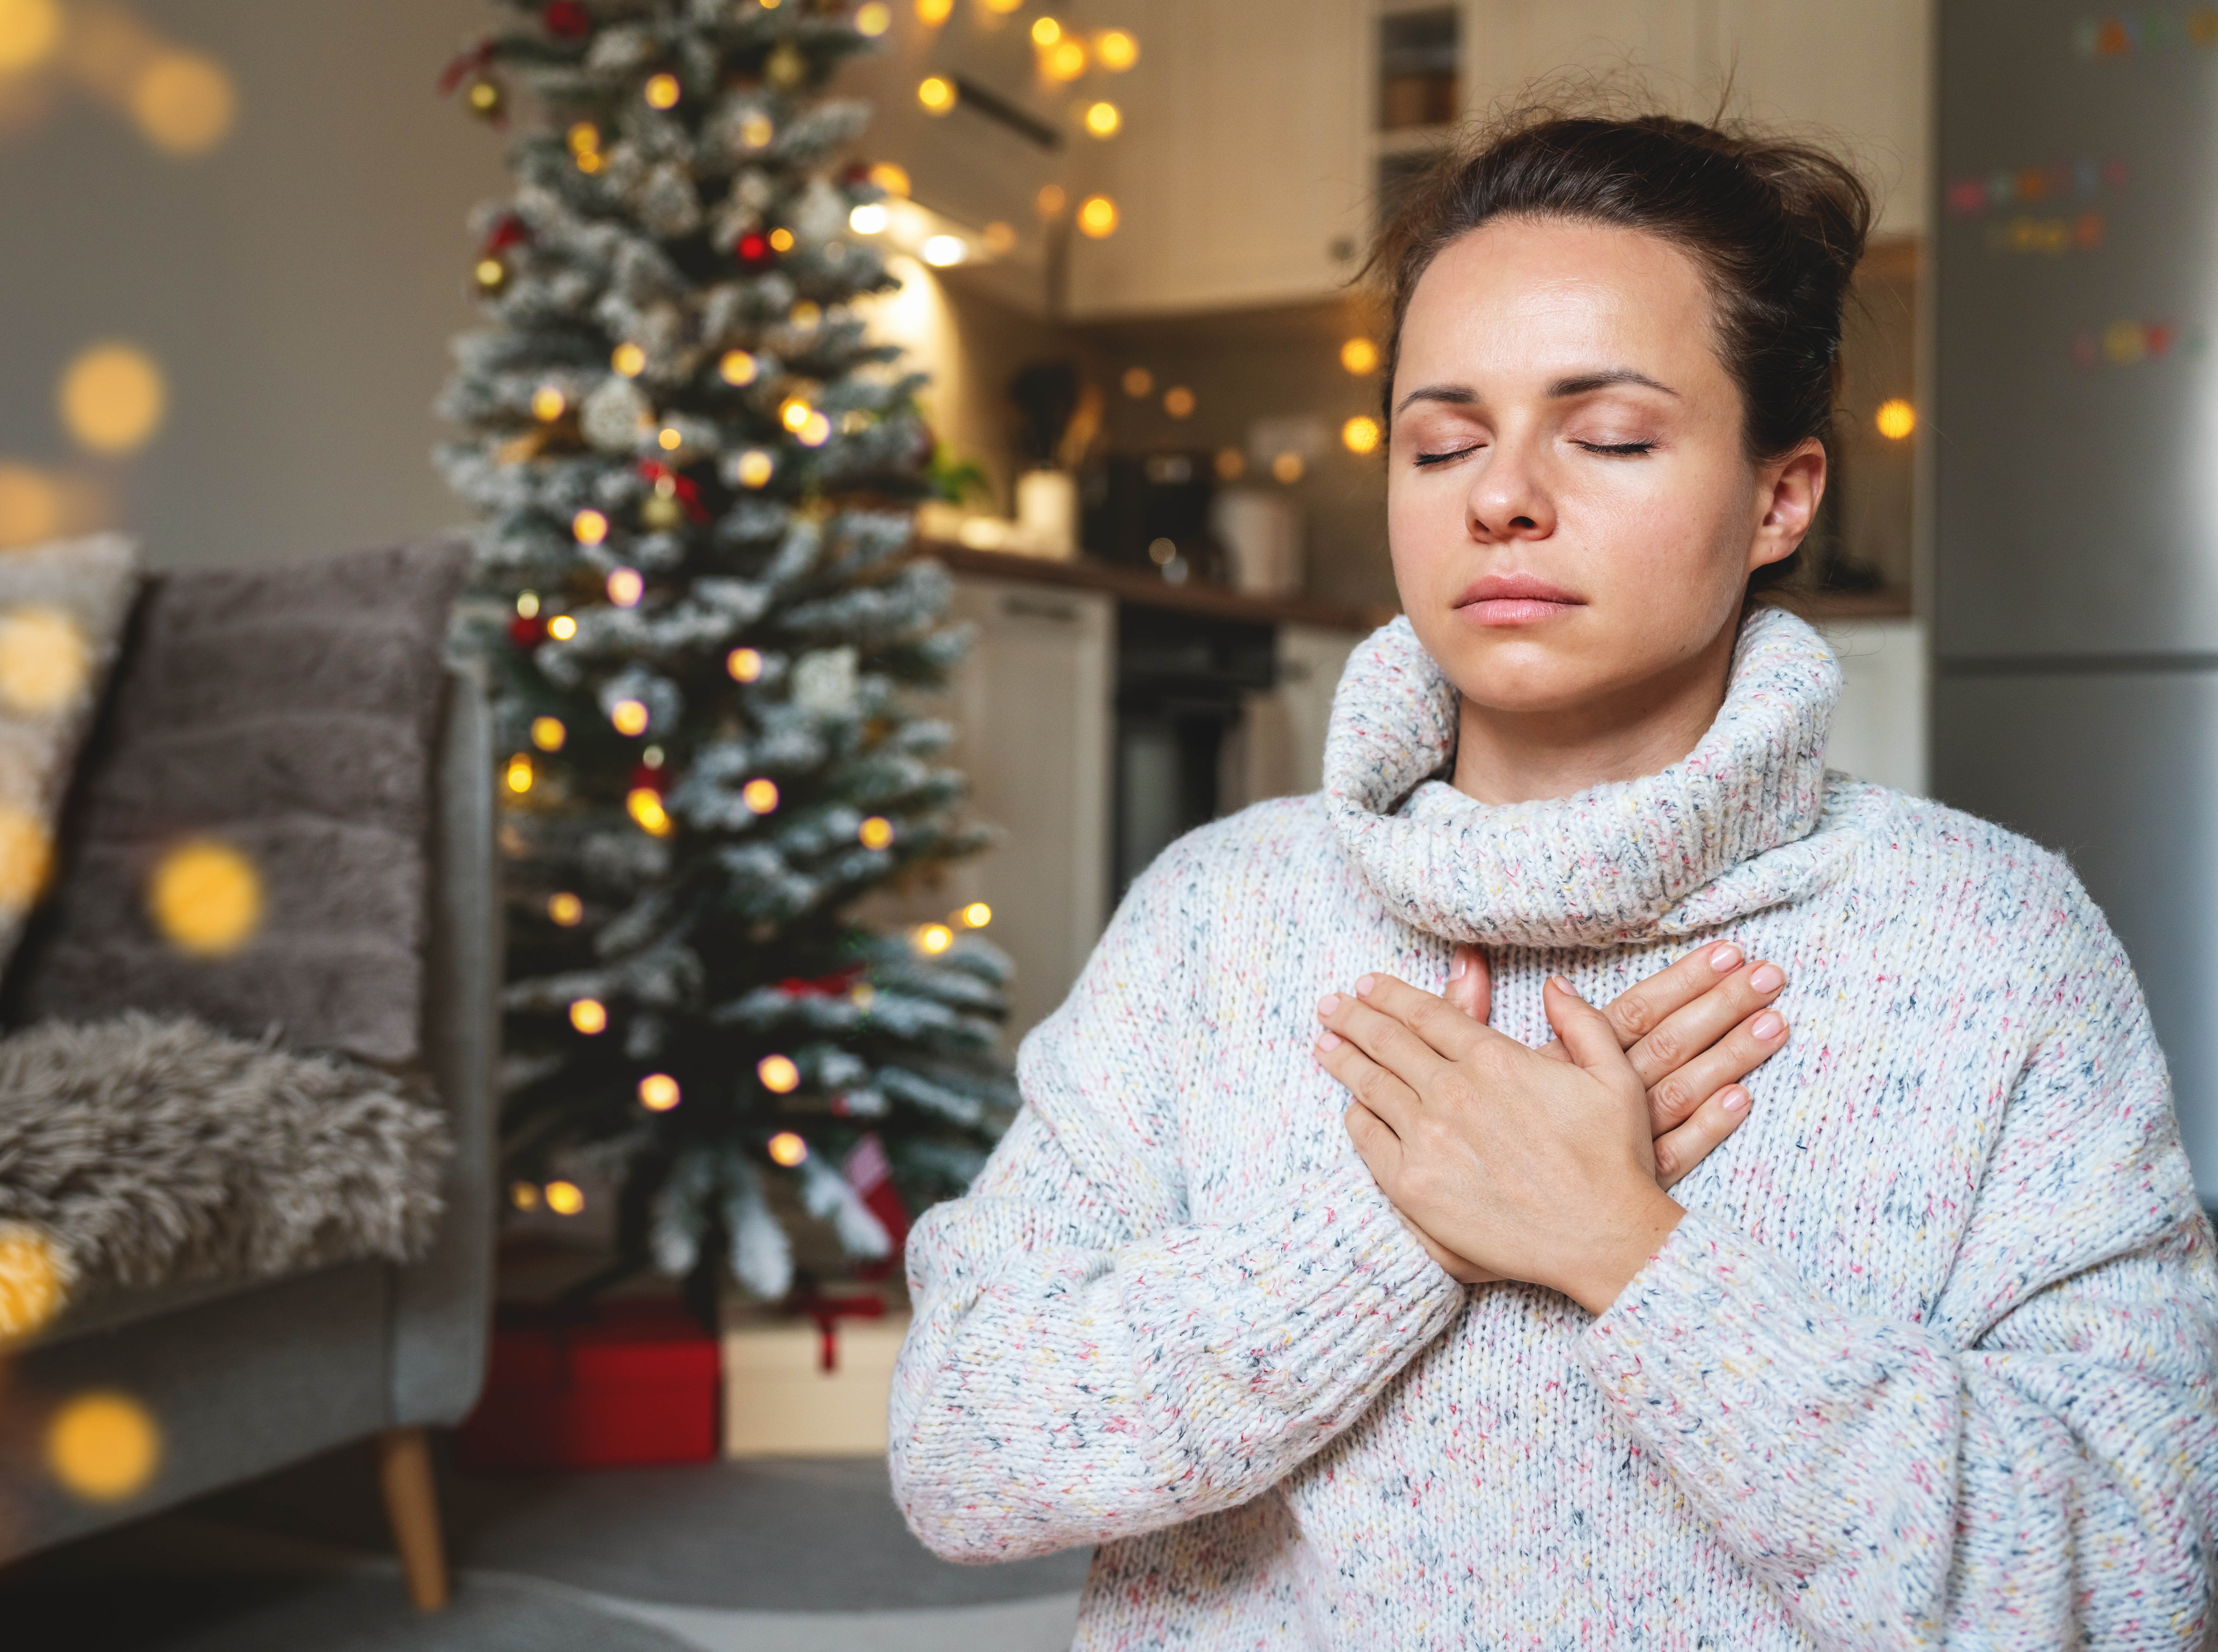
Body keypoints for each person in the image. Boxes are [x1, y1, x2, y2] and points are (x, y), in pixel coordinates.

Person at [889, 109, 2218, 1648]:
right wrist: (1402, 1232)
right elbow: (960, 1458)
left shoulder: (1993, 941)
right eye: (1440, 441)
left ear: (1782, 497)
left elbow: (2136, 1577)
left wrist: (1622, 1248)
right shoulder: (1215, 914)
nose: (1498, 496)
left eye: (1609, 436)